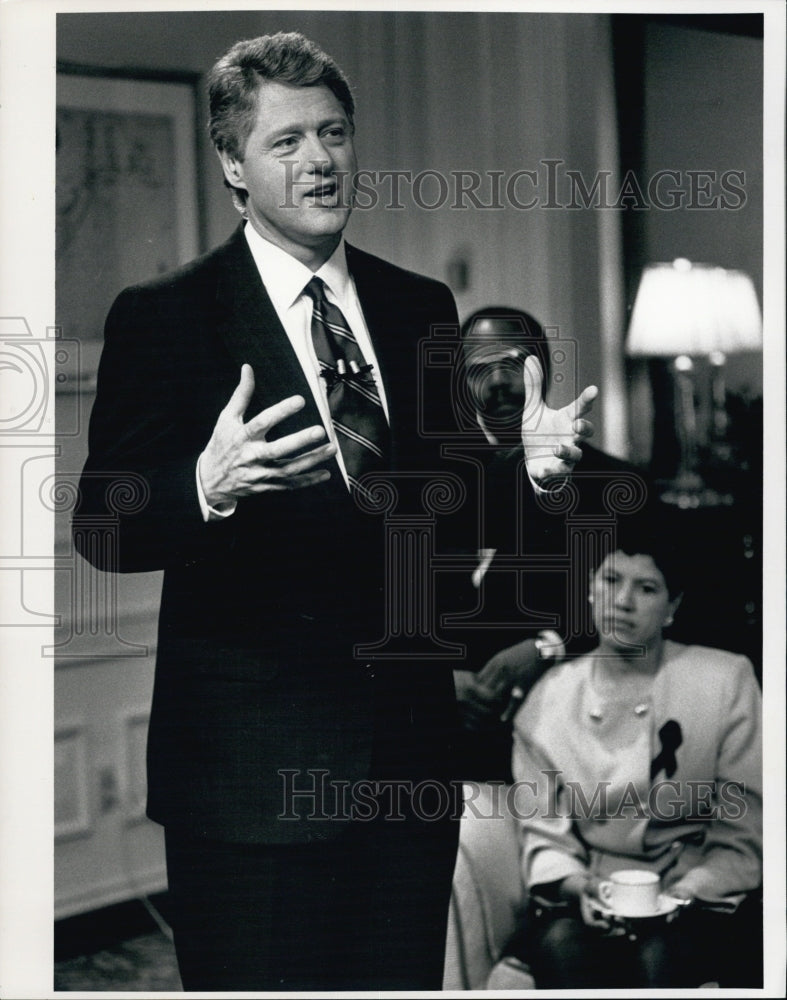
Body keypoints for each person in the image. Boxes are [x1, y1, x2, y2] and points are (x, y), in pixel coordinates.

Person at [72, 33, 597, 991]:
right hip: (248, 786)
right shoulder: (167, 316)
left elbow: (441, 514)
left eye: (334, 133)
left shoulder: (417, 306)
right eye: (286, 142)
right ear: (233, 162)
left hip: (406, 770)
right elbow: (102, 526)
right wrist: (204, 487)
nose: (319, 160)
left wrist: (518, 467)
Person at [502, 516, 762, 988]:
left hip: (698, 890)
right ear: (589, 589)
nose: (621, 602)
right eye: (610, 580)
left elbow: (743, 829)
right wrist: (578, 886)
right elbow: (546, 835)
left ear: (672, 607)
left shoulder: (725, 681)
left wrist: (684, 893)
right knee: (563, 950)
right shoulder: (548, 701)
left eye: (646, 588)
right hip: (590, 893)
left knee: (660, 958)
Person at [452, 307, 651, 771]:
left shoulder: (614, 484)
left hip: (575, 742)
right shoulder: (431, 482)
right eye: (479, 367)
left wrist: (550, 645)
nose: (498, 381)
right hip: (449, 743)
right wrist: (437, 680)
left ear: (544, 367)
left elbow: (639, 609)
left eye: (514, 364)